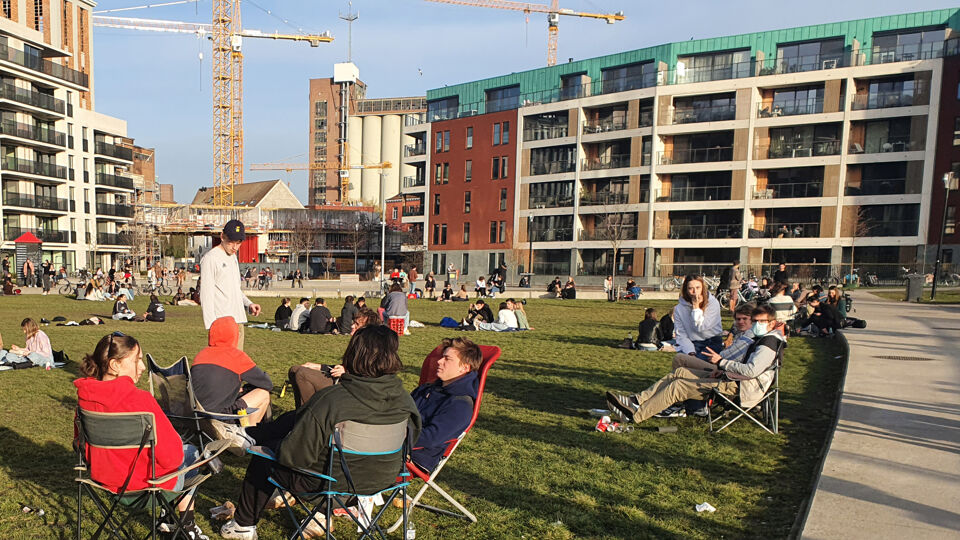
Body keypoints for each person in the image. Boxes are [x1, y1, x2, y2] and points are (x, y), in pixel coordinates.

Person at [220, 326, 422, 540]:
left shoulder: (332, 400)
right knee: (293, 423)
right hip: (380, 484)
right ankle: (250, 434)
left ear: (353, 354)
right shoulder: (405, 401)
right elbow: (409, 443)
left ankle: (243, 526)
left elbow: (296, 456)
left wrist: (277, 447)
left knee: (264, 457)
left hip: (329, 485)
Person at [74, 332, 209, 540]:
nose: (143, 366)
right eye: (136, 359)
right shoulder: (140, 401)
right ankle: (184, 524)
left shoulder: (84, 400)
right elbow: (173, 458)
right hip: (147, 488)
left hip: (106, 484)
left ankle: (172, 521)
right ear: (114, 365)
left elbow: (80, 445)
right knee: (192, 452)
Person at [606, 304, 784, 424]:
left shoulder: (768, 343)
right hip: (733, 379)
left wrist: (722, 364)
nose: (757, 324)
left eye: (762, 322)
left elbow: (751, 371)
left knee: (678, 386)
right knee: (679, 373)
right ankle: (636, 400)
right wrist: (722, 369)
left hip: (741, 389)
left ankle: (634, 416)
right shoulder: (764, 338)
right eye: (757, 321)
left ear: (772, 323)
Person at [409, 338, 483, 472]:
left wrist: (391, 435)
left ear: (464, 367)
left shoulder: (461, 404)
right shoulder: (428, 389)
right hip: (392, 442)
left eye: (447, 359)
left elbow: (431, 438)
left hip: (412, 456)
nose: (439, 361)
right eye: (442, 357)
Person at [285, 308, 382, 408]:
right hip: (342, 379)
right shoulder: (357, 344)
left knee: (302, 374)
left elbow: (370, 377)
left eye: (357, 324)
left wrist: (346, 373)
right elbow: (344, 367)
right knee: (294, 370)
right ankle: (299, 413)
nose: (352, 325)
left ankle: (310, 416)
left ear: (367, 330)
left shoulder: (373, 349)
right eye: (353, 322)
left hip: (349, 387)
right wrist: (318, 366)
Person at [192, 317, 273, 434]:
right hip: (220, 416)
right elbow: (267, 384)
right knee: (263, 394)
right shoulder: (236, 357)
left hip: (196, 416)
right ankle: (248, 434)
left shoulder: (201, 355)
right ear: (234, 335)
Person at [200, 220, 261, 350]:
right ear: (222, 237)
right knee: (222, 367)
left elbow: (234, 289)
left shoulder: (233, 257)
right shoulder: (211, 258)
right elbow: (206, 295)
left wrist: (248, 304)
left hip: (238, 321)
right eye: (231, 242)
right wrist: (212, 326)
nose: (234, 247)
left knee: (237, 366)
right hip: (222, 323)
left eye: (238, 243)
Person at [674, 275, 723, 358]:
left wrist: (696, 307)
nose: (695, 292)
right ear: (686, 290)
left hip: (712, 341)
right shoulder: (679, 308)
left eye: (698, 288)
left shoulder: (712, 303)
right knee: (680, 362)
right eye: (690, 288)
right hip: (692, 342)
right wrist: (690, 352)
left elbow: (701, 328)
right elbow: (681, 334)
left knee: (699, 364)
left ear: (702, 288)